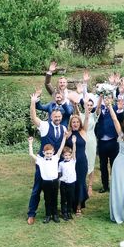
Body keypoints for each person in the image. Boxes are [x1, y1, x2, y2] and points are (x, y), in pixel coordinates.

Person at [27, 90, 67, 225]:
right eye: (55, 117)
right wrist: (33, 103)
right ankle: (31, 213)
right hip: (42, 163)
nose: (57, 119)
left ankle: (55, 212)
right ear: (51, 116)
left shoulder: (63, 128)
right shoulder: (45, 126)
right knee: (37, 188)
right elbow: (33, 117)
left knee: (55, 189)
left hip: (56, 164)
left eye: (59, 117)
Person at [28, 135, 67, 224]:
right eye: (47, 153)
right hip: (45, 183)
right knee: (47, 199)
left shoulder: (55, 158)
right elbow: (31, 154)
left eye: (50, 153)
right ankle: (48, 215)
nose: (49, 155)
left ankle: (55, 215)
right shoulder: (40, 160)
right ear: (44, 152)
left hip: (55, 182)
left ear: (53, 152)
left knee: (54, 198)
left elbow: (61, 147)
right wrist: (30, 143)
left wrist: (64, 137)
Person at [66, 113, 90, 215]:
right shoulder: (68, 134)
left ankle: (79, 205)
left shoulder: (83, 132)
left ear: (80, 123)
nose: (75, 124)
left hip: (81, 162)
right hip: (71, 162)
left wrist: (84, 105)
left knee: (80, 182)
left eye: (77, 122)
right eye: (73, 122)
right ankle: (71, 203)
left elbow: (87, 118)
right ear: (70, 124)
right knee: (71, 182)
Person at [58, 141, 77, 221]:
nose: (67, 156)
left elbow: (74, 151)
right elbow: (59, 172)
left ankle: (69, 211)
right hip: (64, 183)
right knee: (64, 198)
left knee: (70, 198)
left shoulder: (73, 161)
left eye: (69, 155)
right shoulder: (61, 163)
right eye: (65, 155)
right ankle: (64, 212)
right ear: (63, 156)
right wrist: (60, 179)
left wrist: (73, 143)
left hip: (72, 183)